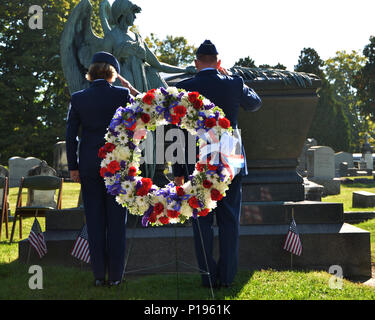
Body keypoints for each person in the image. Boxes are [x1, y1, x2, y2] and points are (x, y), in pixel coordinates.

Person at [173, 40, 262, 288]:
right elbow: (255, 103)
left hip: (196, 158)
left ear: (196, 63)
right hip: (229, 157)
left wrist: (178, 170)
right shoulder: (233, 82)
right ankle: (228, 276)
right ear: (218, 62)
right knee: (229, 219)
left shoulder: (183, 87)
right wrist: (234, 77)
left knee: (201, 219)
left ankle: (208, 277)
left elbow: (178, 131)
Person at [66, 51, 139, 287]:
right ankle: (116, 277)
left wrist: (73, 167)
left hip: (88, 165)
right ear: (112, 73)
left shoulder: (78, 98)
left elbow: (70, 137)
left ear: (91, 72)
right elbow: (138, 123)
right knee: (116, 222)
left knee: (95, 221)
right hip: (117, 166)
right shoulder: (122, 94)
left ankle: (98, 275)